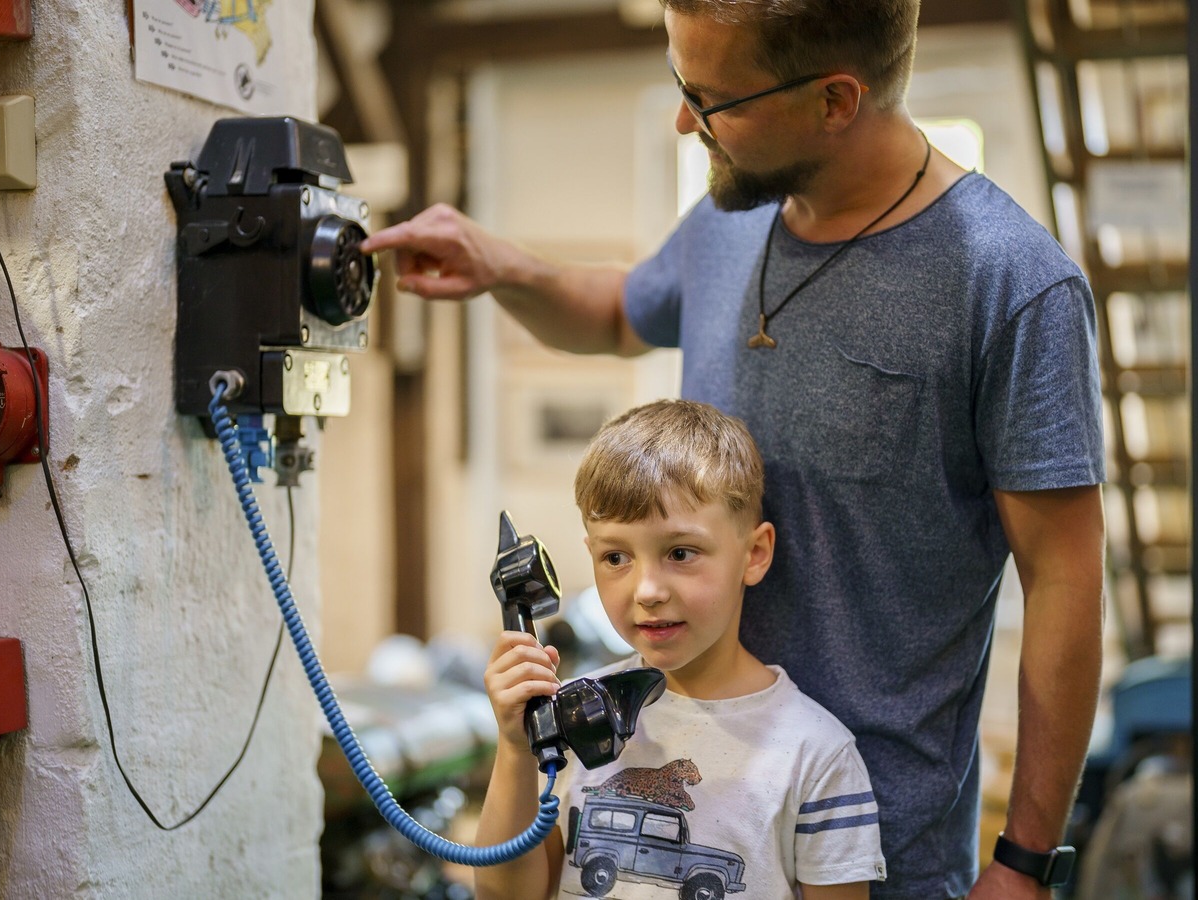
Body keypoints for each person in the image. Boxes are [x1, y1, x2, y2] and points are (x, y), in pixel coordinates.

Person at [361, 1, 1106, 896]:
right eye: (683, 86)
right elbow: (617, 309)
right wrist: (503, 267)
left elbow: (1065, 581)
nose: (686, 119)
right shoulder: (730, 215)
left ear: (836, 99)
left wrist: (1025, 860)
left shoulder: (1011, 283)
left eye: (713, 99)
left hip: (872, 856)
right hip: (673, 832)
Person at [473, 399, 887, 900]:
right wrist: (517, 747)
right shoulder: (572, 718)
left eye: (680, 553)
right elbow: (506, 895)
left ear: (753, 554)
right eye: (616, 556)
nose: (647, 590)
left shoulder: (817, 754)